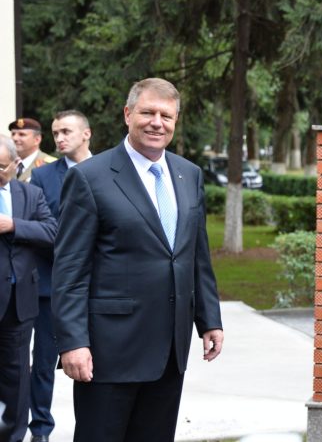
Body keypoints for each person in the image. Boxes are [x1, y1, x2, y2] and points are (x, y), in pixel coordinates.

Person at [51, 78, 224, 442]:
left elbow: (196, 253)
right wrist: (72, 342)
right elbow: (69, 268)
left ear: (176, 121)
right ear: (128, 114)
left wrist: (209, 318)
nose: (157, 122)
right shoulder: (89, 177)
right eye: (148, 112)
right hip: (108, 351)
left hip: (169, 349)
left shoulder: (188, 174)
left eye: (167, 115)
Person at [28, 110, 93, 442]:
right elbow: (45, 228)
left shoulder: (110, 170)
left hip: (100, 287)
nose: (60, 138)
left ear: (86, 134)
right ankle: (40, 429)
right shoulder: (43, 177)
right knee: (43, 364)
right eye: (56, 133)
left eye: (66, 131)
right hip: (52, 285)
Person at [0, 135, 57, 442]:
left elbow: (52, 231)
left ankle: (13, 436)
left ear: (15, 164)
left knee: (16, 379)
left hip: (19, 304)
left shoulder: (31, 194)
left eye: (0, 166)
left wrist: (13, 225)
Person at [9, 118, 56, 183]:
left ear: (37, 140)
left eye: (22, 134)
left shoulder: (51, 165)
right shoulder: (5, 163)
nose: (15, 138)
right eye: (13, 134)